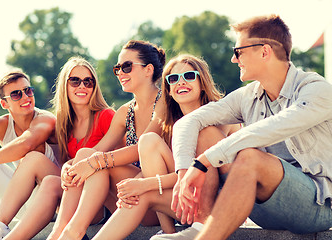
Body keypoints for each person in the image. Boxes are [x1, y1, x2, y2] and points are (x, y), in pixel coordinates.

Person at [160, 14, 332, 240]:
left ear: (264, 51)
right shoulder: (248, 96)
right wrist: (184, 171)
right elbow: (188, 121)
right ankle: (200, 228)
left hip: (317, 207)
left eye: (238, 51)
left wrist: (205, 160)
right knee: (207, 132)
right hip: (262, 203)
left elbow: (274, 127)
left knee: (250, 156)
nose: (234, 59)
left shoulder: (316, 89)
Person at [92, 54, 240, 240]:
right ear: (168, 90)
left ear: (202, 82)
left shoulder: (220, 118)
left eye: (189, 76)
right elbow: (182, 176)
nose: (181, 82)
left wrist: (144, 184)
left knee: (143, 190)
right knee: (148, 142)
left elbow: (200, 172)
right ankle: (169, 231)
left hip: (221, 205)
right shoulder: (173, 124)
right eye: (173, 79)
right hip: (186, 201)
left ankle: (199, 228)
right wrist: (137, 186)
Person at [47, 40, 166, 240]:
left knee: (92, 159)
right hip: (129, 197)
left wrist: (93, 161)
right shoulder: (124, 112)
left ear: (148, 70)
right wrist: (70, 165)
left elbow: (141, 148)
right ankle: (63, 231)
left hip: (159, 196)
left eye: (126, 66)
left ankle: (71, 232)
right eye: (117, 68)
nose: (120, 72)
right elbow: (96, 150)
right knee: (86, 154)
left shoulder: (165, 102)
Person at [0, 56, 115, 240]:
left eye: (88, 81)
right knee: (40, 167)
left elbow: (120, 159)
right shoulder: (63, 124)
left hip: (99, 201)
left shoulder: (106, 116)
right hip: (72, 192)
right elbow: (61, 163)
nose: (82, 86)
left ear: (94, 86)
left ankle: (57, 234)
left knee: (81, 158)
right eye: (75, 81)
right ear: (65, 86)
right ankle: (4, 233)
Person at [0, 71, 57, 238]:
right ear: (4, 104)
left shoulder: (45, 120)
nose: (25, 97)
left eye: (28, 90)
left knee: (33, 155)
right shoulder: (0, 124)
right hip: (17, 200)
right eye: (17, 94)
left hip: (50, 199)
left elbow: (26, 144)